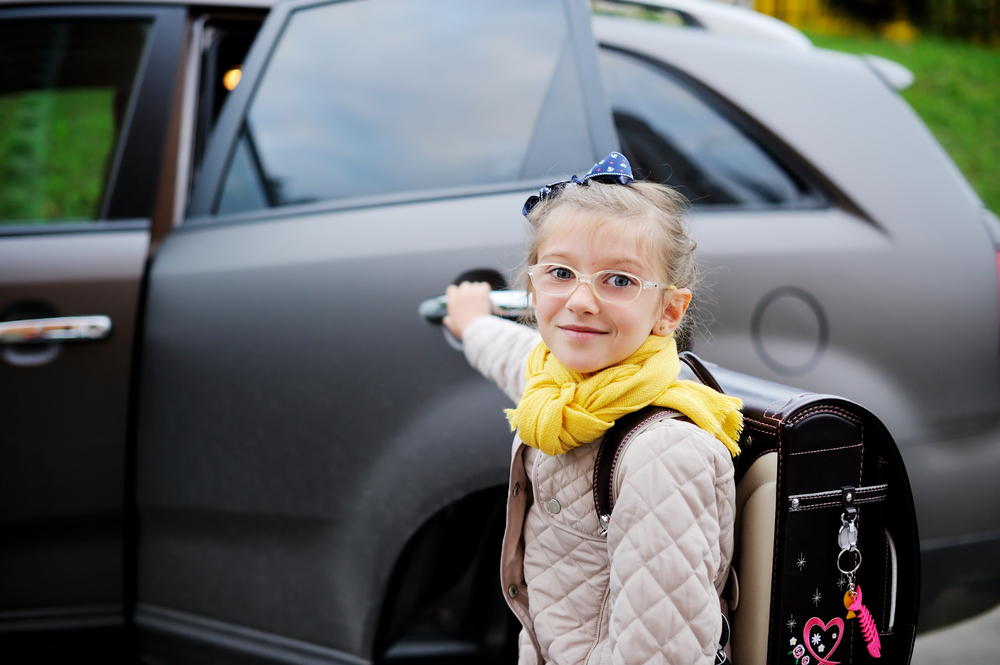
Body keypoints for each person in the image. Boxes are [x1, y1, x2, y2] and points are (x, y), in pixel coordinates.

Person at [443, 152, 742, 665]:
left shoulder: (663, 455)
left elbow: (661, 655)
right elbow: (516, 358)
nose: (581, 300)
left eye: (619, 280)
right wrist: (471, 324)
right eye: (560, 272)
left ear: (669, 311)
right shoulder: (559, 389)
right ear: (533, 289)